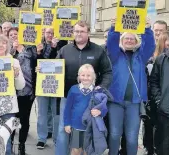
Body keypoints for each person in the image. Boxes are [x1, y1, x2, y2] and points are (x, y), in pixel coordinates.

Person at [55, 20, 112, 155]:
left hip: (90, 99)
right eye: (76, 31)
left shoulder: (98, 50)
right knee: (63, 130)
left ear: (88, 33)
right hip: (67, 96)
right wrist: (43, 70)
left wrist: (101, 88)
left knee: (87, 131)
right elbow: (54, 70)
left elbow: (107, 72)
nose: (78, 34)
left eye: (82, 31)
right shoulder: (64, 50)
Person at [106, 17, 155, 155]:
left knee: (132, 138)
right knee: (115, 135)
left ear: (136, 42)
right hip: (116, 101)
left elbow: (150, 45)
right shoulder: (115, 55)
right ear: (121, 41)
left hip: (134, 103)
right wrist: (113, 28)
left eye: (131, 39)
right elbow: (111, 43)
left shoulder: (141, 56)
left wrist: (147, 29)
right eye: (126, 38)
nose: (129, 40)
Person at [64, 64, 108, 155]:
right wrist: (67, 123)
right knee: (75, 150)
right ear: (79, 76)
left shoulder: (97, 92)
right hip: (76, 125)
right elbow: (68, 108)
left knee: (87, 151)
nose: (85, 78)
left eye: (88, 75)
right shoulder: (73, 89)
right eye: (83, 75)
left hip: (90, 126)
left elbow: (104, 108)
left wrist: (100, 112)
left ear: (93, 77)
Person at [35, 27, 67, 149]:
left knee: (56, 113)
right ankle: (41, 138)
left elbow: (57, 61)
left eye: (53, 33)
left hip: (57, 84)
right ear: (44, 33)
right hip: (43, 84)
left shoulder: (62, 46)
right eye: (48, 32)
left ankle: (56, 138)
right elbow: (37, 62)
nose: (50, 35)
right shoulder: (39, 45)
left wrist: (54, 47)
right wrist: (36, 65)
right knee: (42, 113)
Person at [7, 27, 37, 155]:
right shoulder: (8, 51)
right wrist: (13, 50)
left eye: (16, 34)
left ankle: (22, 146)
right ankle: (11, 145)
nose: (14, 36)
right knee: (12, 120)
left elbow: (38, 60)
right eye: (11, 34)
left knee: (24, 120)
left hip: (28, 90)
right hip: (12, 92)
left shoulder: (30, 49)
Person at [143, 31, 169, 155]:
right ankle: (149, 148)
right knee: (150, 124)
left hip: (167, 97)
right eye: (166, 41)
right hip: (153, 97)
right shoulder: (152, 60)